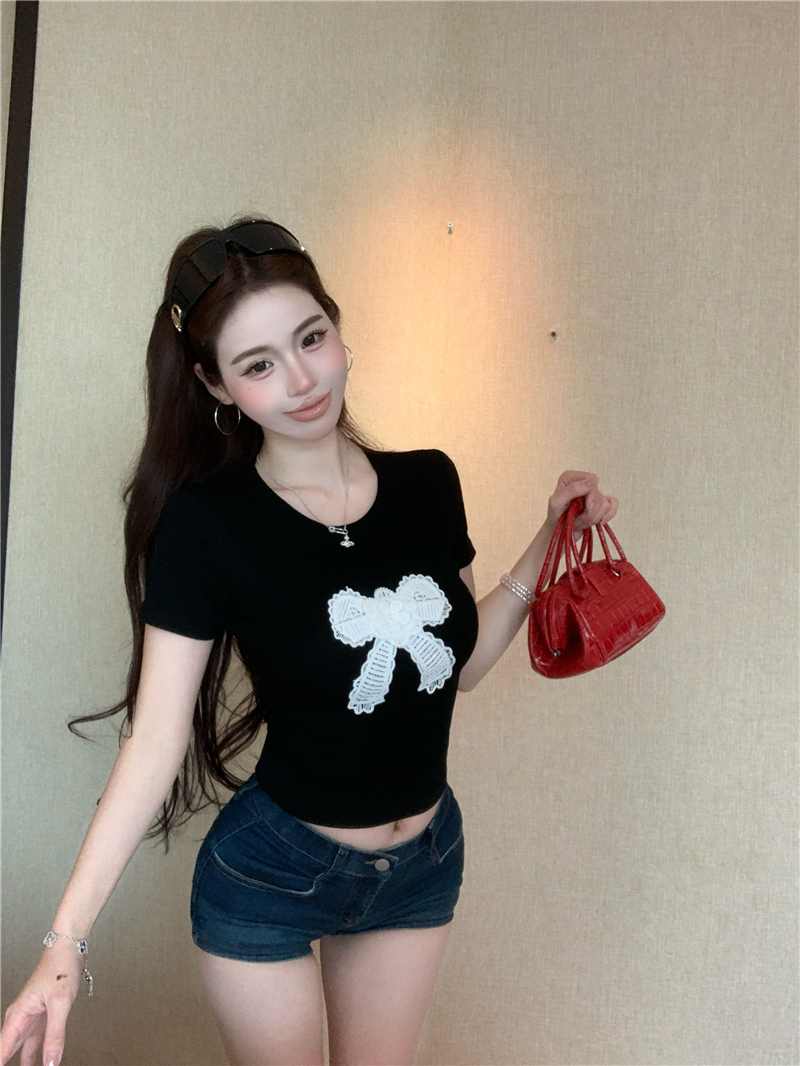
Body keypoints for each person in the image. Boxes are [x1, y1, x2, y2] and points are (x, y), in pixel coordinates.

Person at [0, 215, 617, 1066]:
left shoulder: (428, 483)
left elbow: (461, 666)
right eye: (258, 365)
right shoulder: (207, 525)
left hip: (422, 863)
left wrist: (549, 538)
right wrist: (64, 944)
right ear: (217, 386)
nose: (300, 379)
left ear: (337, 329)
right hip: (273, 873)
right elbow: (156, 742)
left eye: (310, 338)